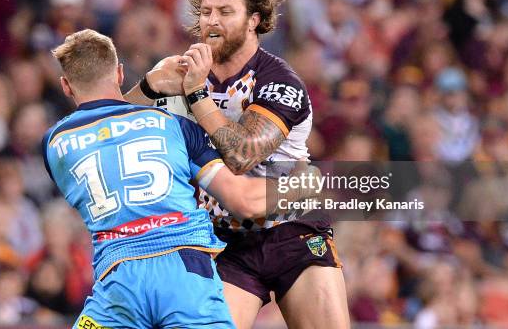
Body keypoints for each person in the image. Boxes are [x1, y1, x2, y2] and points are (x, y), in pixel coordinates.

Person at [126, 0, 349, 329]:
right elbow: (110, 133)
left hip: (292, 230)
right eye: (206, 11)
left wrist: (196, 95)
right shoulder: (181, 73)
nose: (212, 22)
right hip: (224, 241)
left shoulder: (280, 82)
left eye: (225, 12)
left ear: (254, 20)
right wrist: (146, 87)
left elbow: (241, 154)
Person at [42, 29, 313, 329]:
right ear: (119, 73)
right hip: (185, 275)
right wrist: (301, 184)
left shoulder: (55, 144)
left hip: (118, 283)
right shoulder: (174, 126)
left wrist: (145, 88)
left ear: (66, 86)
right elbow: (244, 202)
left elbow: (107, 128)